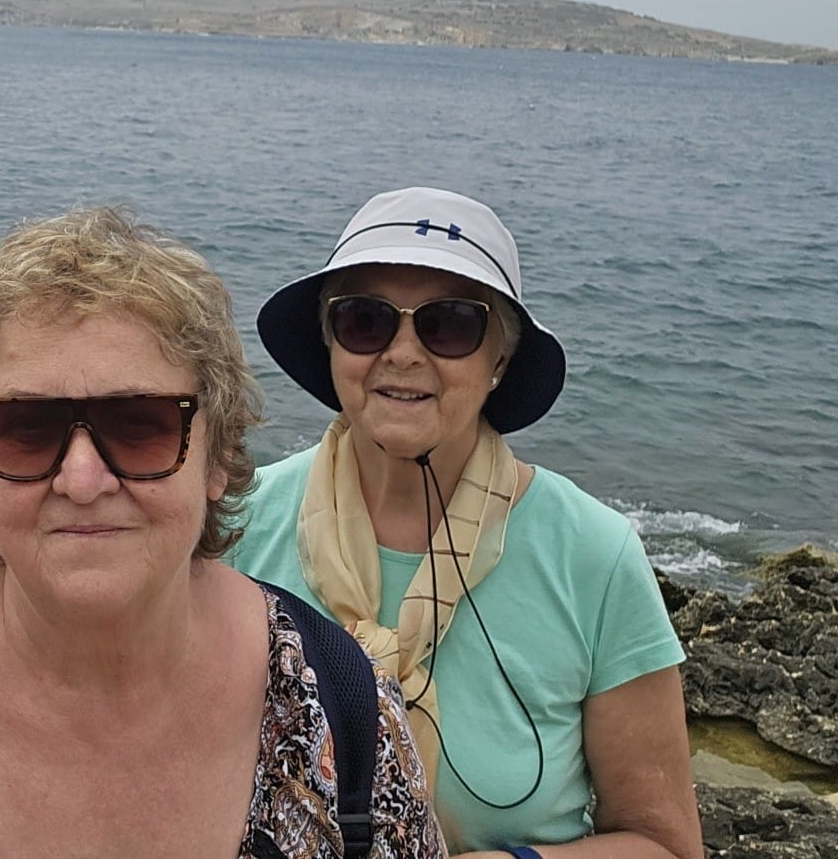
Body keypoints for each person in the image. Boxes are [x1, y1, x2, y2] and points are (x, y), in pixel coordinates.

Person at [0, 208, 443, 859]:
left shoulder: (345, 712)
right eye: (26, 428)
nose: (81, 479)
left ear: (219, 457)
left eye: (140, 425)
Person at [230, 187, 703, 859]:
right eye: (365, 320)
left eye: (449, 325)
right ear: (330, 341)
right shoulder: (237, 527)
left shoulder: (594, 557)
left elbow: (665, 844)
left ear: (500, 359)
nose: (402, 353)